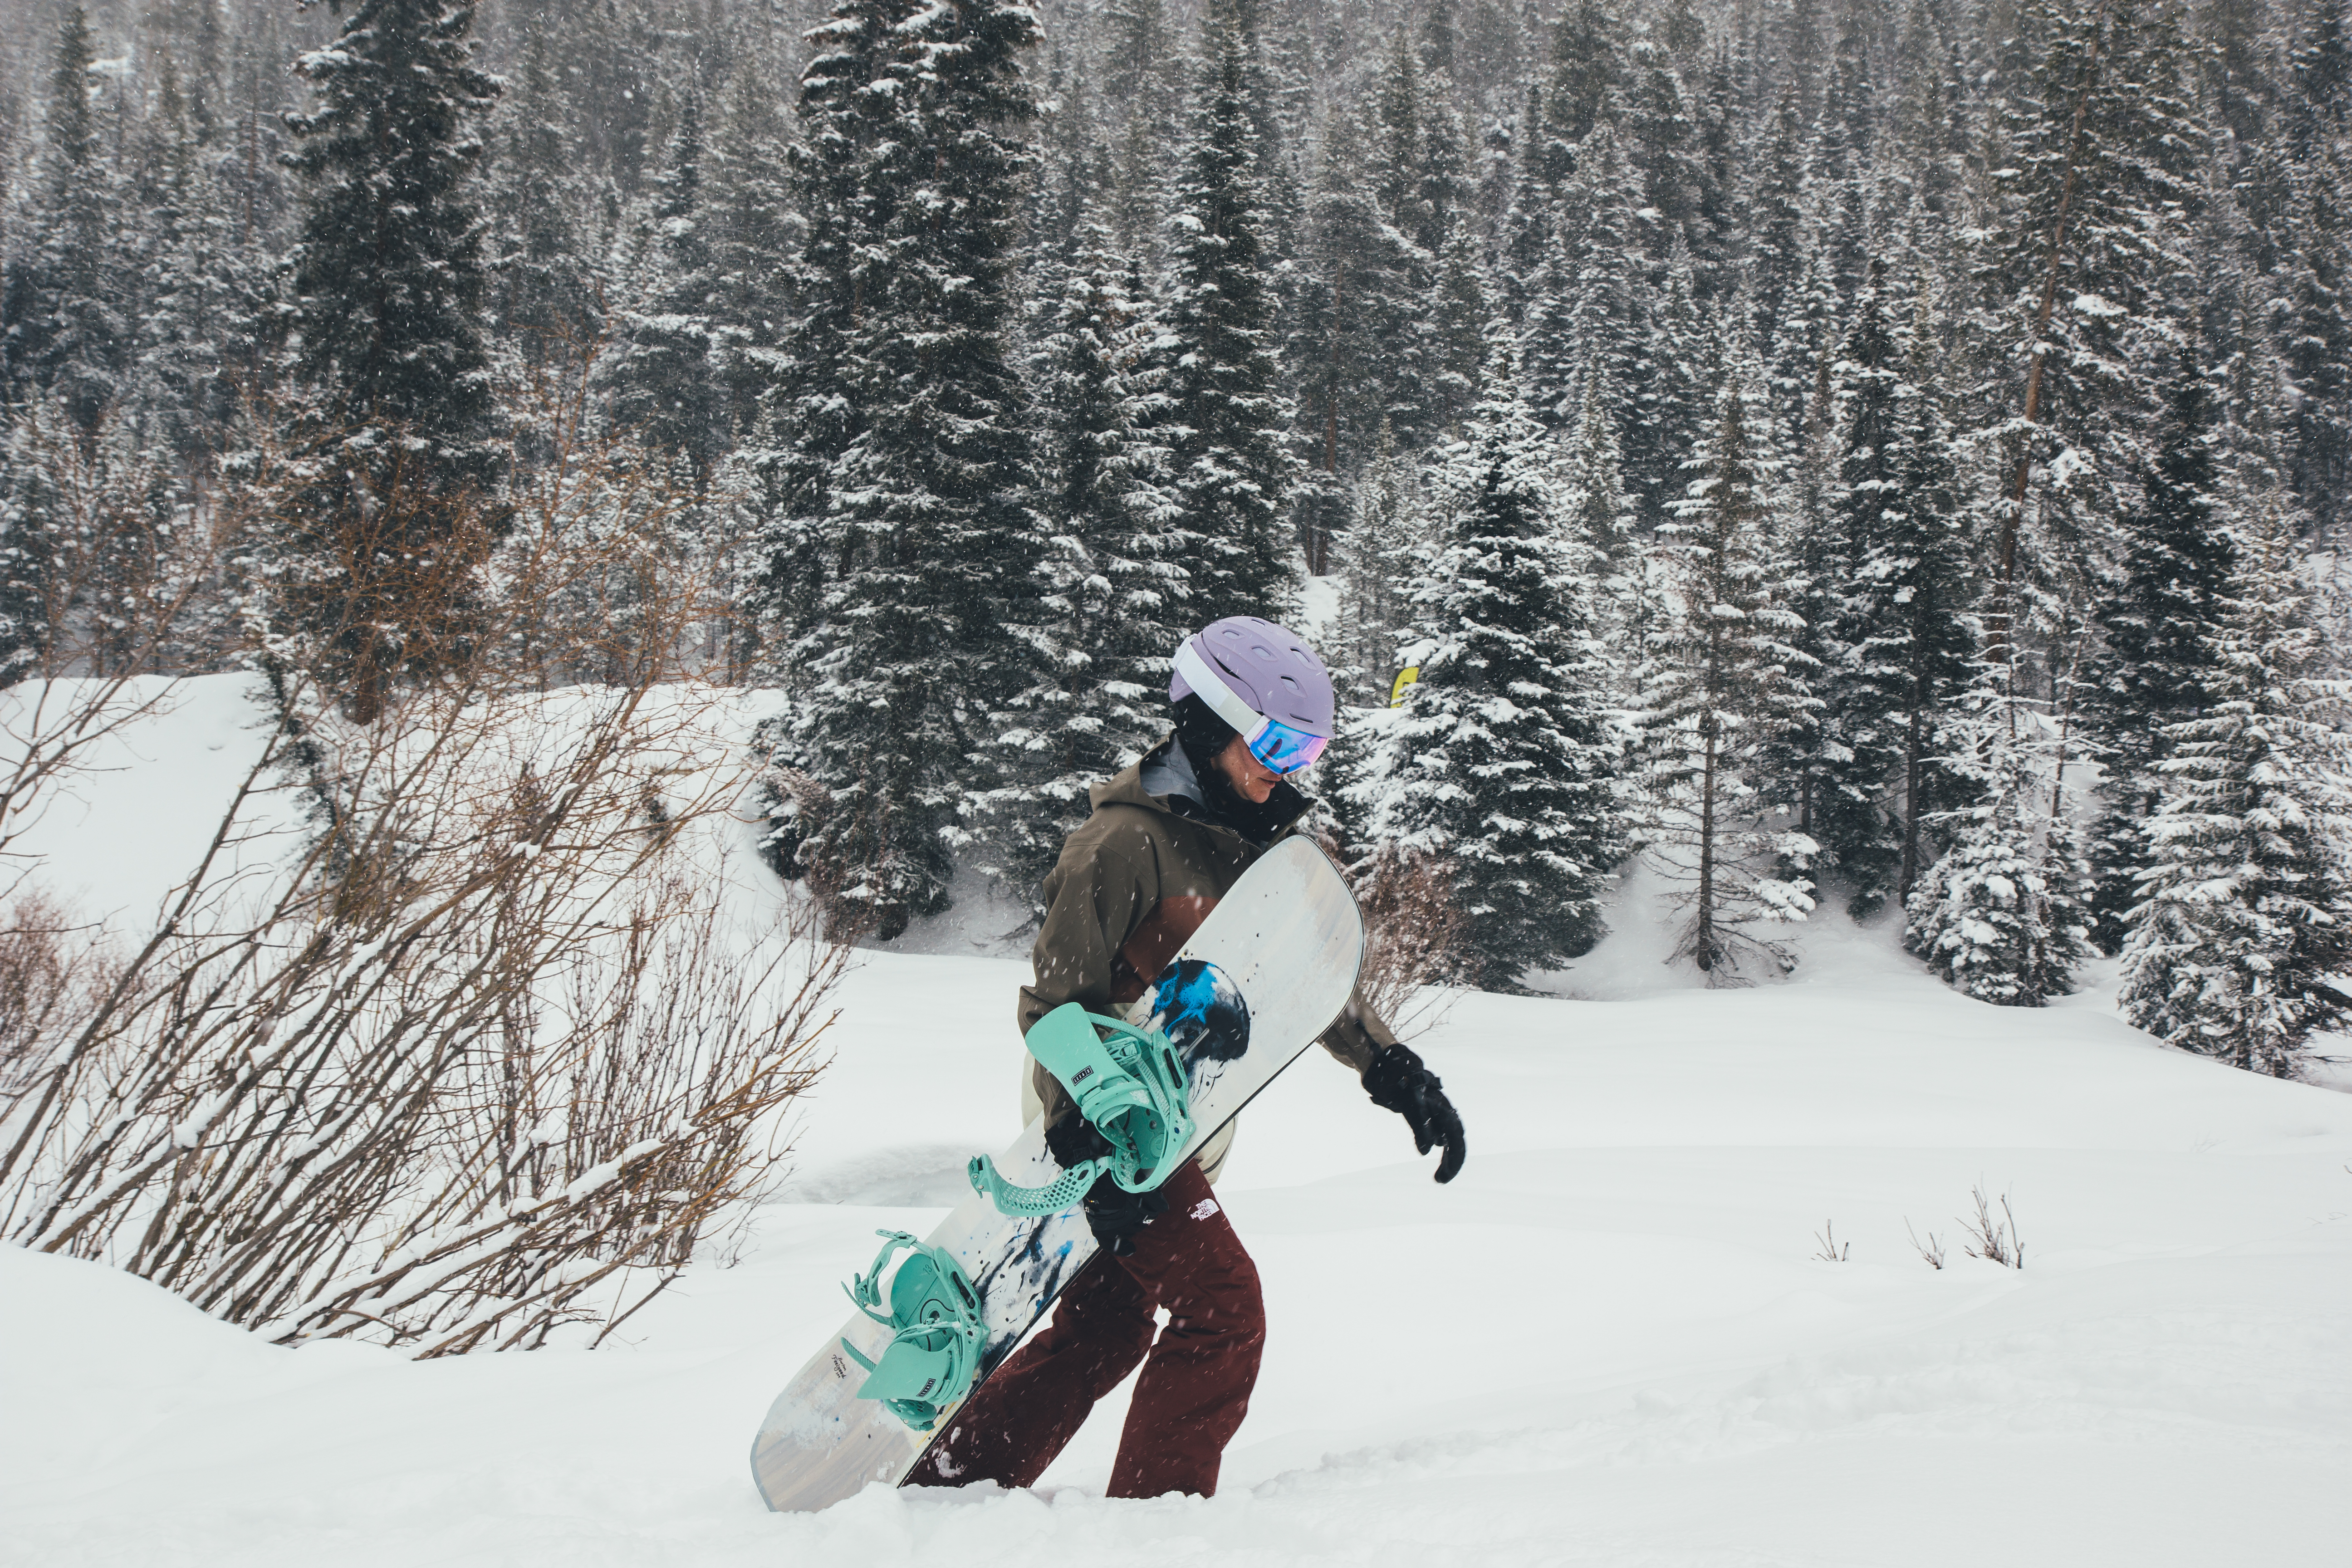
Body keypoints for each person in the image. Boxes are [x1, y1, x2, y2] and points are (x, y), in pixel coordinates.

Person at [905, 614, 1466, 1501]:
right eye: (1275, 742)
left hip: (1174, 1131)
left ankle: (952, 1490)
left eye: (1307, 750)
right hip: (1104, 1128)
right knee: (1223, 1312)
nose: (1287, 767)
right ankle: (1153, 1531)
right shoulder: (1120, 844)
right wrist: (1094, 1154)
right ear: (1210, 724)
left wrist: (1397, 1073)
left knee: (1108, 1325)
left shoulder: (1266, 850)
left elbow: (1297, 979)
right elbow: (1057, 1007)